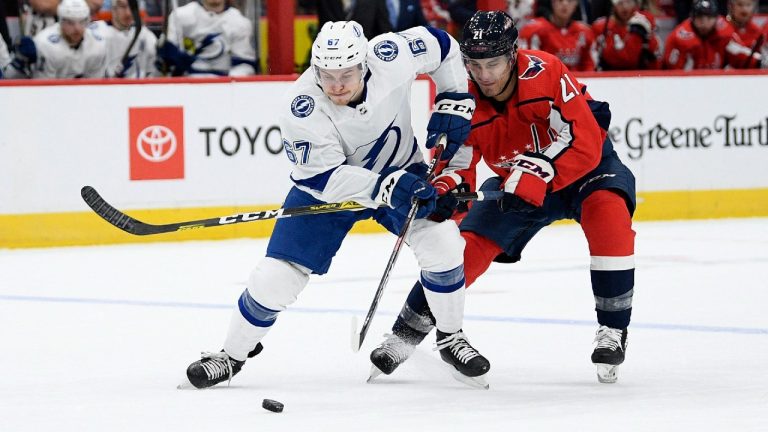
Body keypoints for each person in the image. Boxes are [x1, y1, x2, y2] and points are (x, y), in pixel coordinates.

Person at [183, 20, 491, 390]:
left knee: (443, 244)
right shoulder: (301, 108)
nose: (337, 85)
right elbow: (325, 178)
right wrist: (384, 186)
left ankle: (450, 336)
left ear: (365, 64)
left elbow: (442, 44)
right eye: (327, 75)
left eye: (347, 73)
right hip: (331, 190)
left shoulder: (390, 55)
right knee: (275, 278)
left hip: (401, 175)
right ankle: (230, 356)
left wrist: (454, 95)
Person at [369, 10, 637, 385]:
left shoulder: (546, 71)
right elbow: (456, 163)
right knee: (467, 249)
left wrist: (539, 171)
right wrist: (446, 191)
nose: (485, 75)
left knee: (609, 218)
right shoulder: (461, 96)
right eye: (474, 65)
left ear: (512, 55)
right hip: (517, 185)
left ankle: (612, 330)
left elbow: (586, 141)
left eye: (493, 63)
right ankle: (402, 335)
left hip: (586, 172)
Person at [4, 0, 108, 79]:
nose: (77, 29)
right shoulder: (45, 44)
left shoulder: (97, 44)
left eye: (82, 22)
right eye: (70, 22)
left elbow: (95, 87)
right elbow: (44, 89)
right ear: (61, 21)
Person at [157, 0, 256, 77]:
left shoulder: (239, 22)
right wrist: (175, 58)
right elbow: (164, 59)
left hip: (222, 85)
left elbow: (245, 65)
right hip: (187, 83)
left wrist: (227, 83)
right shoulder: (180, 16)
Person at [663, 0, 761, 69]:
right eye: (700, 18)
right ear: (692, 18)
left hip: (717, 83)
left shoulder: (724, 33)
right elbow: (670, 69)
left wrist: (759, 61)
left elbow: (741, 54)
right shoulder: (680, 38)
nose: (704, 23)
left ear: (716, 18)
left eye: (709, 18)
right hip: (687, 85)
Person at [519, 0, 597, 71]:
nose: (564, 3)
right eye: (560, 0)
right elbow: (529, 64)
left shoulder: (585, 32)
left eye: (569, 1)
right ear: (553, 2)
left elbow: (590, 65)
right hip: (546, 81)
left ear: (576, 4)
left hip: (578, 82)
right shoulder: (534, 30)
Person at [592, 0, 661, 70]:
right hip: (608, 75)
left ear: (635, 4)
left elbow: (655, 59)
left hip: (639, 75)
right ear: (613, 5)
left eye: (628, 2)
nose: (625, 7)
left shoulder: (644, 23)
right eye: (620, 3)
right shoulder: (601, 27)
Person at [103, 0, 157, 77]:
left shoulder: (146, 36)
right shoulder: (98, 33)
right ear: (113, 9)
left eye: (132, 7)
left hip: (138, 88)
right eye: (123, 7)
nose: (128, 13)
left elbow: (154, 73)